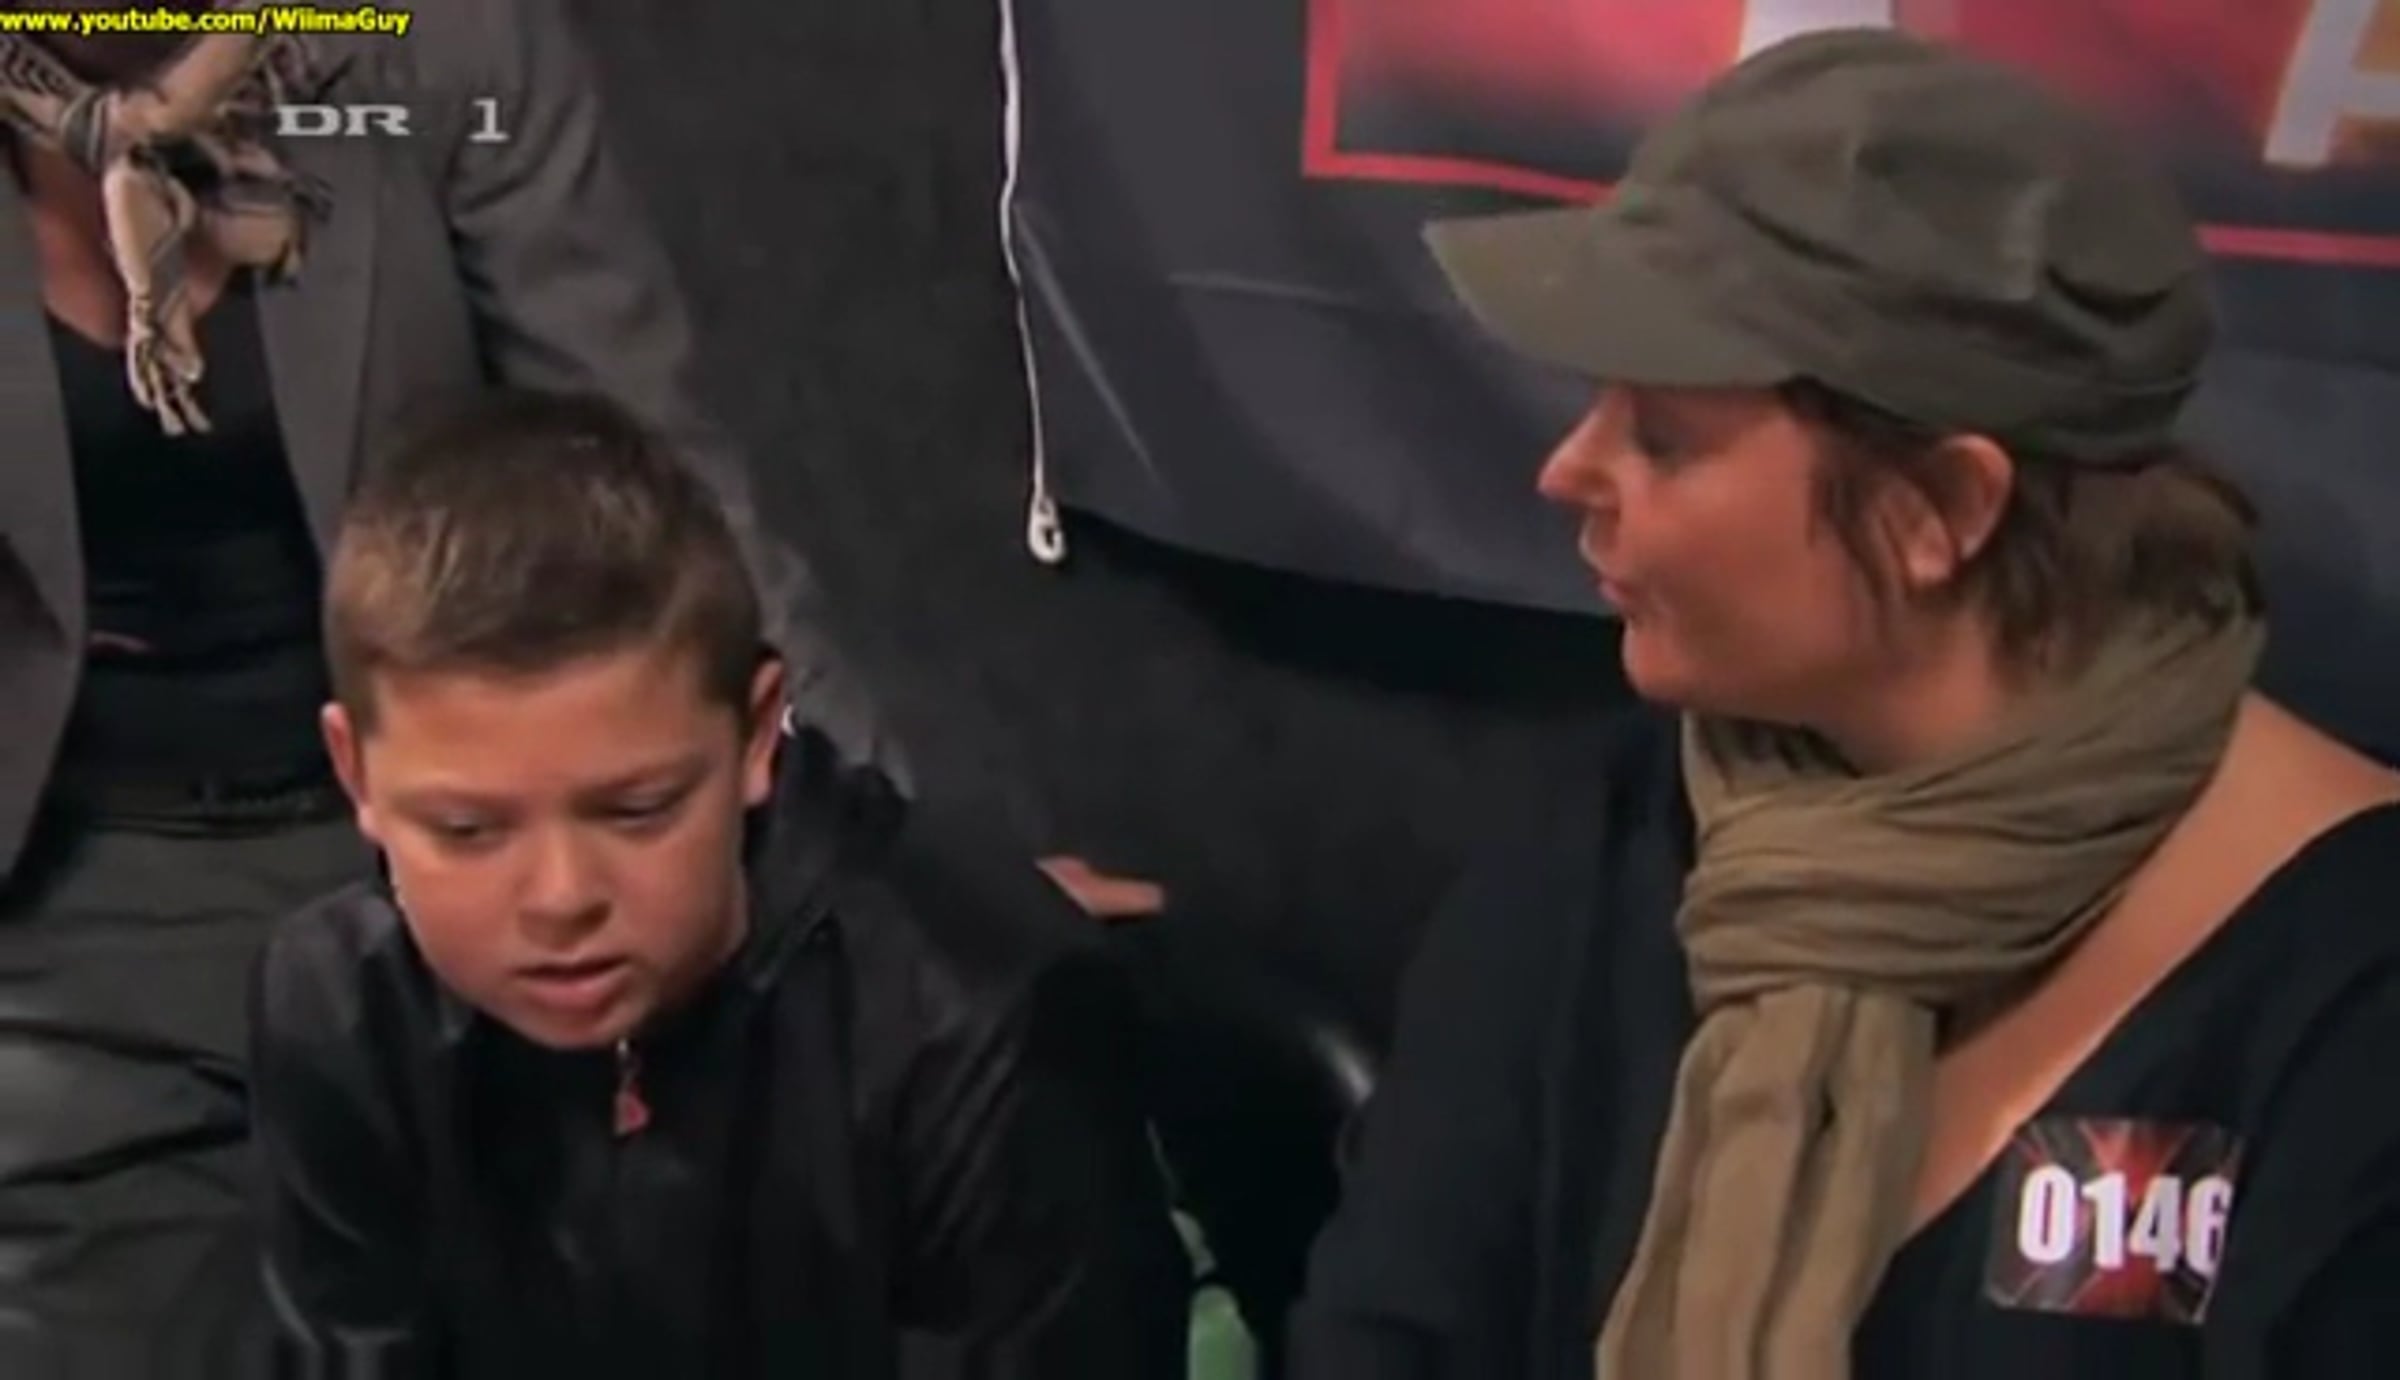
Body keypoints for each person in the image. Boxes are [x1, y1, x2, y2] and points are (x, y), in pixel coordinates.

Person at [1291, 27, 2400, 1380]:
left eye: (1663, 438)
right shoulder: (1596, 855)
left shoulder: (2347, 975)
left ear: (1942, 510)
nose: (1569, 470)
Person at [0, 4, 909, 1373]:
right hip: (67, 894)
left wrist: (900, 876)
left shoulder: (440, 44)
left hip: (450, 838)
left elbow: (661, 491)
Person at [249, 388, 1191, 1376]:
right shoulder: (337, 1006)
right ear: (356, 773)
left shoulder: (984, 1019)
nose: (561, 898)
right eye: (468, 830)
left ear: (756, 733)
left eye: (638, 809)